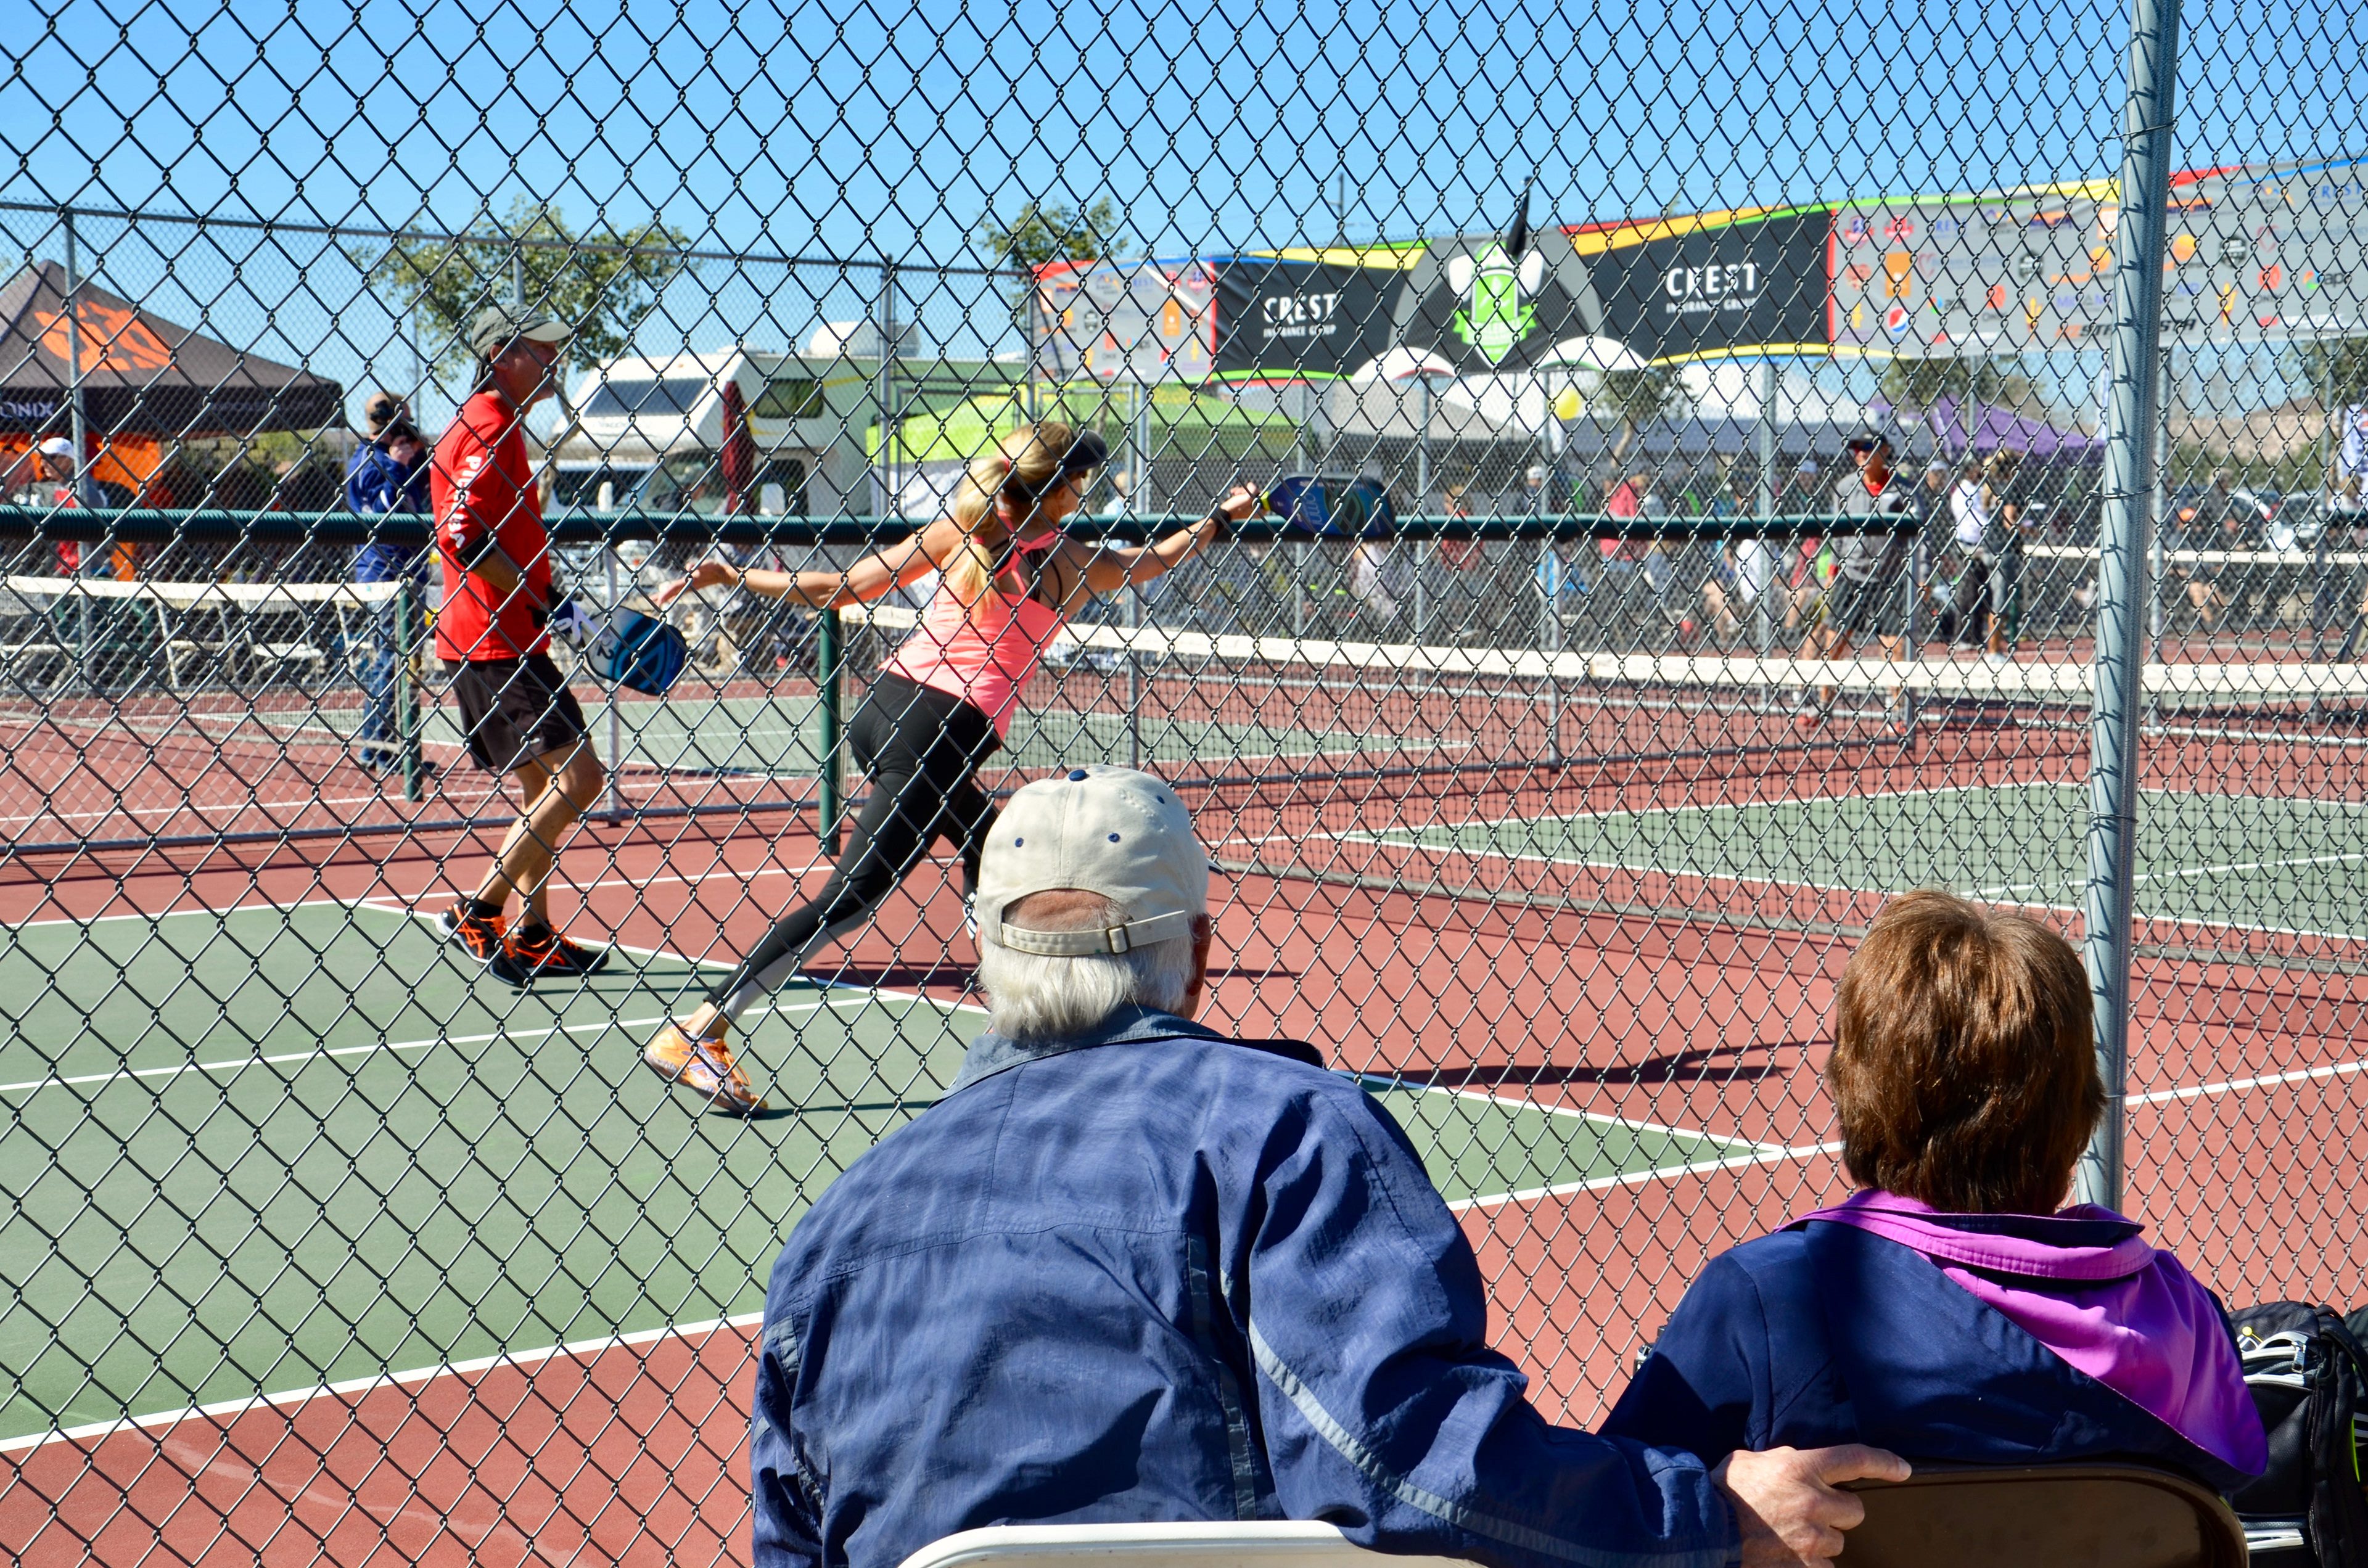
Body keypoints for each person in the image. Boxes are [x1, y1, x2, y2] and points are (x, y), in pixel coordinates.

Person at [750, 763, 1910, 1568]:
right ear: (1198, 953)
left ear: (984, 951)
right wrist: (1705, 1516)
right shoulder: (1283, 1133)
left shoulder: (832, 1236)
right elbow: (1407, 1461)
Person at [636, 422, 1254, 1114]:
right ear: (1062, 490)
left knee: (989, 846)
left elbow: (841, 587)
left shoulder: (963, 530)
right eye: (1081, 479)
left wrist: (734, 573)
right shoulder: (1073, 562)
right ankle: (700, 1028)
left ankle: (1010, 1002)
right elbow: (1157, 558)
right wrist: (1220, 518)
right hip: (939, 734)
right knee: (853, 897)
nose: (1088, 488)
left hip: (882, 709)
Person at [1604, 890, 2266, 1495]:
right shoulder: (2187, 1319)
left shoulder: (1771, 1302)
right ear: (2077, 1110)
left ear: (1859, 1087)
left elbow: (1612, 1516)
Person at [429, 303, 611, 990]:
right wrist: (544, 601)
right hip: (493, 640)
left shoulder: (498, 426)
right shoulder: (488, 425)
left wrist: (544, 602)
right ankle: (478, 910)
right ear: (503, 354)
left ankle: (533, 933)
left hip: (509, 636)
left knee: (543, 785)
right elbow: (464, 538)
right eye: (543, 352)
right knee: (581, 779)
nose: (555, 365)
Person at [345, 390, 435, 778]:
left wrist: (418, 458)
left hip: (406, 570)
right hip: (386, 571)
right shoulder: (373, 463)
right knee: (391, 660)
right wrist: (399, 466)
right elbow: (387, 517)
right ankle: (380, 749)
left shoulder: (403, 460)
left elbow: (425, 500)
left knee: (402, 661)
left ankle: (391, 745)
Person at [1798, 432, 1914, 729]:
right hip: (1850, 577)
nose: (1860, 453)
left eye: (1867, 448)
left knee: (1895, 648)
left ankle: (1897, 710)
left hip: (1890, 579)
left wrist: (1921, 577)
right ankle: (1824, 704)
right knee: (1834, 642)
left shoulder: (1903, 487)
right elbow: (1837, 535)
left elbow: (1920, 533)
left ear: (1884, 450)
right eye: (1856, 448)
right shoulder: (1845, 487)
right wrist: (1832, 573)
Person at [1948, 456, 1994, 648]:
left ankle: (1975, 635)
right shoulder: (1963, 491)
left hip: (1980, 544)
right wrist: (1992, 526)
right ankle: (1962, 637)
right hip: (1967, 545)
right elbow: (1974, 517)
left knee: (1980, 593)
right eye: (1976, 468)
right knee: (1967, 592)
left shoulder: (1978, 489)